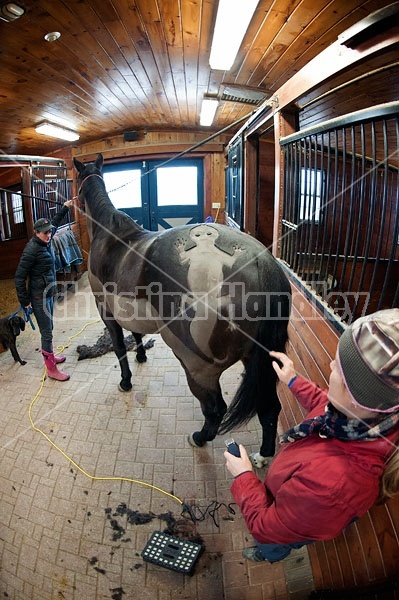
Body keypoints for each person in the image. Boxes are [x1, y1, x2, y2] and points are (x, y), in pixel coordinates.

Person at [224, 308, 399, 563]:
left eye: (338, 367)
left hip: (281, 523)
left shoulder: (332, 486)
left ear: (356, 396)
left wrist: (243, 476)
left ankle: (268, 554)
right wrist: (293, 380)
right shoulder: (364, 417)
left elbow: (266, 526)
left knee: (272, 542)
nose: (330, 365)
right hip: (293, 500)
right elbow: (324, 403)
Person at [14, 200, 74, 381]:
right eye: (45, 233)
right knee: (46, 332)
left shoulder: (46, 240)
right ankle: (51, 369)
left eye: (49, 232)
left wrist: (65, 207)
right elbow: (19, 277)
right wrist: (25, 301)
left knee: (50, 327)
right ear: (36, 233)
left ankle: (51, 357)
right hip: (38, 296)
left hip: (49, 292)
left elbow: (55, 222)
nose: (49, 235)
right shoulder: (31, 251)